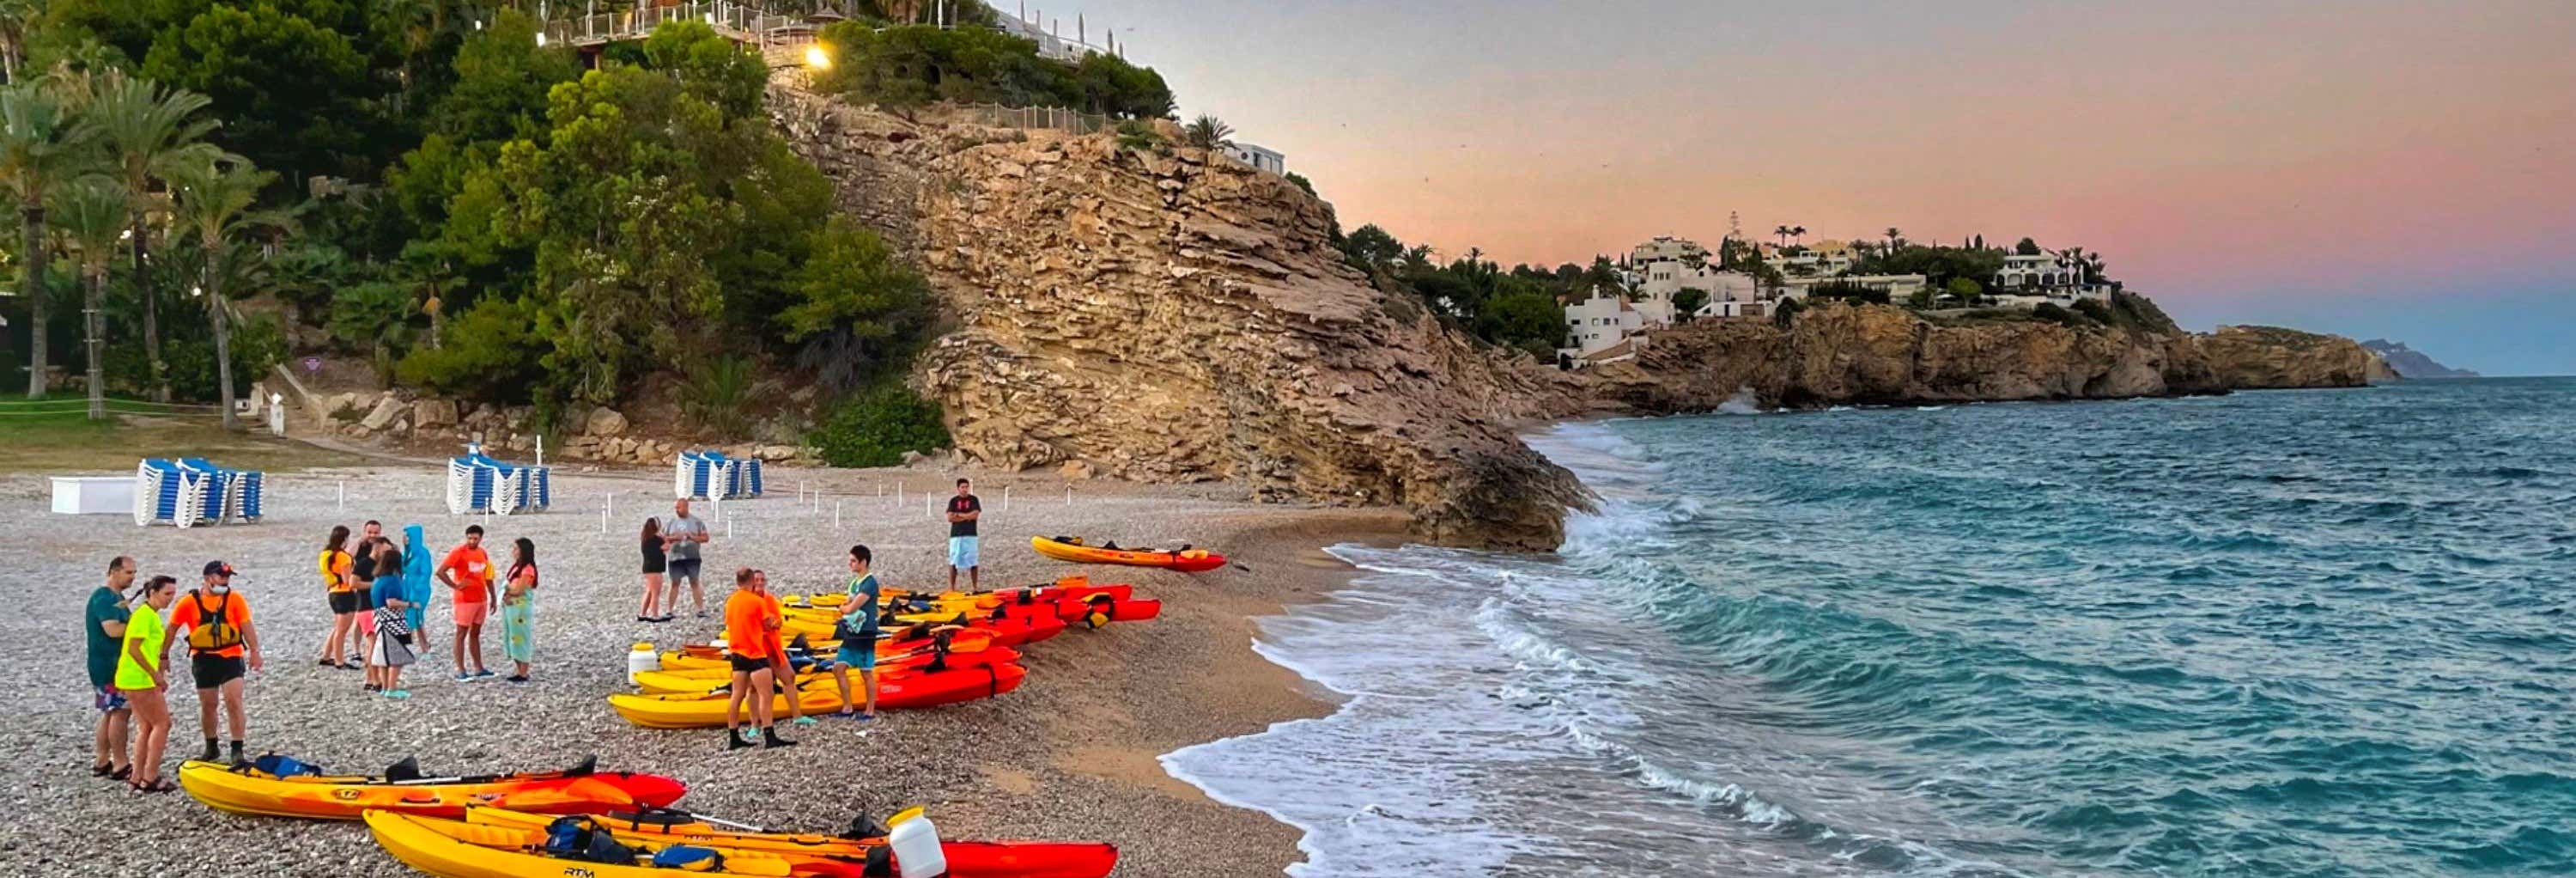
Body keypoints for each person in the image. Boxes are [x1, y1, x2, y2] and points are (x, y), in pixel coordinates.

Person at [167, 561, 261, 765]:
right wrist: (163, 655)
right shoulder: (188, 602)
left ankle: (237, 748)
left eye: (227, 577)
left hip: (231, 657)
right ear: (208, 578)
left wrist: (255, 651)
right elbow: (172, 628)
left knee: (233, 701)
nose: (225, 581)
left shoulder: (235, 599)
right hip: (204, 659)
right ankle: (211, 746)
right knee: (208, 705)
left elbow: (246, 625)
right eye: (221, 577)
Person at [116, 575, 180, 793]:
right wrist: (155, 675)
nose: (170, 599)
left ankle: (137, 776)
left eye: (173, 594)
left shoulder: (147, 615)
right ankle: (150, 776)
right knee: (162, 724)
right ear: (153, 593)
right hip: (139, 679)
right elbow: (134, 649)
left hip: (131, 678)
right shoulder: (145, 616)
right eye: (167, 594)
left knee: (146, 726)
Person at [721, 568, 795, 750]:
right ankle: (769, 736)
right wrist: (775, 623)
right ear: (751, 581)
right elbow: (768, 625)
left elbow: (729, 623)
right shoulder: (756, 601)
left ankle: (733, 736)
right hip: (754, 652)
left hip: (736, 652)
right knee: (766, 694)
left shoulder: (731, 601)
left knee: (737, 695)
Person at [86, 556, 137, 781]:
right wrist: (139, 627)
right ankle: (120, 762)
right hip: (110, 666)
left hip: (106, 665)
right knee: (120, 712)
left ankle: (102, 760)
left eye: (134, 573)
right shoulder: (104, 598)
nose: (133, 577)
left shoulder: (117, 598)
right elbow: (113, 630)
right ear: (113, 571)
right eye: (128, 573)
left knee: (109, 712)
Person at [436, 525, 495, 681]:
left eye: (475, 538)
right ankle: (460, 669)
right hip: (464, 600)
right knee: (461, 633)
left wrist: (493, 596)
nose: (472, 541)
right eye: (470, 538)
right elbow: (440, 571)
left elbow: (488, 576)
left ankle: (478, 667)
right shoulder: (459, 552)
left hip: (480, 598)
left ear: (481, 538)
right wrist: (455, 586)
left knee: (475, 633)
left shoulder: (482, 553)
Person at [831, 545, 884, 721]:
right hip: (852, 631)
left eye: (853, 561)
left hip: (865, 632)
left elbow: (852, 606)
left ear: (863, 562)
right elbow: (848, 603)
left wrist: (842, 609)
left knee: (866, 672)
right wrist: (844, 608)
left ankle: (870, 710)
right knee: (839, 668)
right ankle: (847, 707)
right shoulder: (855, 583)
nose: (850, 564)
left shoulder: (870, 583)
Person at [318, 525, 359, 669]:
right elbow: (348, 580)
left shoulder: (326, 554)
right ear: (345, 539)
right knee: (342, 631)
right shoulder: (342, 557)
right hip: (345, 594)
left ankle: (326, 655)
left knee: (337, 627)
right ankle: (339, 661)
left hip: (333, 591)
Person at [660, 499, 711, 618]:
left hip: (692, 556)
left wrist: (692, 537)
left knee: (694, 582)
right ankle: (669, 610)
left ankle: (700, 609)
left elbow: (705, 538)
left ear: (686, 507)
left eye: (679, 507)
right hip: (675, 557)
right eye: (676, 508)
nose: (677, 510)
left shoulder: (697, 522)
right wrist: (674, 537)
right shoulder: (671, 522)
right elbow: (663, 538)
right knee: (674, 583)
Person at [350, 520, 388, 668]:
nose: (372, 535)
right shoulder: (360, 547)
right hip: (363, 590)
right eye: (370, 532)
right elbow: (348, 555)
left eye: (376, 533)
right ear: (364, 532)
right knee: (359, 620)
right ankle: (356, 650)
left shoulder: (382, 547)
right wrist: (360, 540)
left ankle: (372, 660)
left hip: (378, 594)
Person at [501, 538, 538, 683]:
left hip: (520, 609)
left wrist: (507, 590)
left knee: (521, 637)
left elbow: (519, 590)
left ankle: (523, 672)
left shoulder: (527, 569)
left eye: (516, 549)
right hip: (511, 607)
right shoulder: (517, 567)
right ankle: (519, 669)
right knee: (512, 636)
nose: (513, 552)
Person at [946, 479, 982, 588]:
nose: (965, 489)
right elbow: (950, 518)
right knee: (954, 560)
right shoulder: (953, 501)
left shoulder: (973, 500)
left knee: (973, 560)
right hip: (956, 535)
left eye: (966, 487)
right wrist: (967, 517)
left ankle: (975, 586)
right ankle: (952, 587)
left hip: (970, 534)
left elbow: (975, 515)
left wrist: (959, 515)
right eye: (963, 487)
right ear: (958, 488)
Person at [639, 518, 668, 623]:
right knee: (656, 592)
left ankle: (643, 613)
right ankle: (654, 614)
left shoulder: (645, 538)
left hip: (648, 567)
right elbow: (666, 547)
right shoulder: (657, 539)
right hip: (655, 568)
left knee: (650, 591)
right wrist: (665, 538)